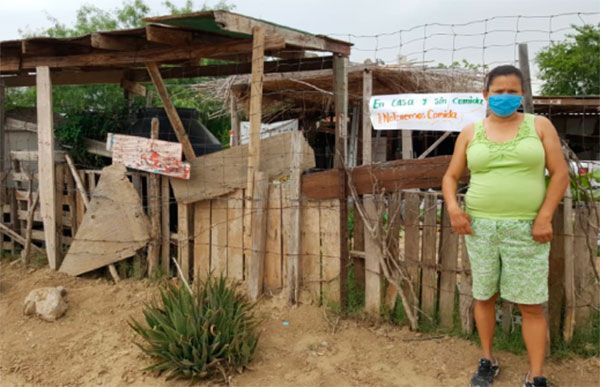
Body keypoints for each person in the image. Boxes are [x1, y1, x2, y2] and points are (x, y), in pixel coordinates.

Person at [442, 65, 569, 387]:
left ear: (522, 95)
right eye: (498, 92)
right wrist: (455, 209)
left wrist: (544, 217)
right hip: (480, 228)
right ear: (485, 95)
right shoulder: (472, 132)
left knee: (531, 304)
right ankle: (488, 359)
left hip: (528, 229)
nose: (505, 97)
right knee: (484, 296)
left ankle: (536, 374)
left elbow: (560, 173)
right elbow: (451, 176)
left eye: (513, 91)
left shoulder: (539, 126)